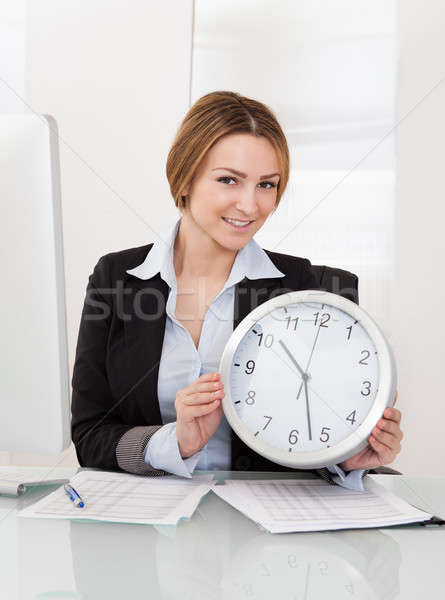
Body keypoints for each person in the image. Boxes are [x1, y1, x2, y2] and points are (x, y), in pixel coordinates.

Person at [71, 91, 403, 490]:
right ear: (186, 176)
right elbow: (90, 437)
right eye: (229, 180)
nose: (249, 205)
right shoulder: (116, 278)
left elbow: (322, 433)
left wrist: (345, 457)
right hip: (151, 527)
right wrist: (174, 442)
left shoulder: (305, 287)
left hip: (265, 532)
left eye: (267, 184)